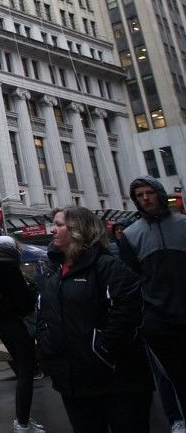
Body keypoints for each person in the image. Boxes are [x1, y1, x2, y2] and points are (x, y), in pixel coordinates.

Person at [37, 206, 152, 432]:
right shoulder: (53, 273)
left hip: (117, 382)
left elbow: (126, 314)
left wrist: (101, 349)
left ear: (79, 230)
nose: (52, 230)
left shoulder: (108, 267)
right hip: (72, 383)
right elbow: (43, 316)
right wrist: (47, 346)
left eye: (59, 225)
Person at [119, 176, 186, 430]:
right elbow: (132, 278)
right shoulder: (131, 235)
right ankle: (177, 419)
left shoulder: (182, 224)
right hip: (158, 319)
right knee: (168, 375)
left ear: (159, 193)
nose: (145, 198)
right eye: (139, 195)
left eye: (149, 192)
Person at [0, 235, 43, 433]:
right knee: (27, 373)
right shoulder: (9, 269)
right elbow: (24, 302)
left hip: (3, 325)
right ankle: (22, 422)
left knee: (24, 370)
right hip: (19, 325)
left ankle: (23, 419)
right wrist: (31, 292)